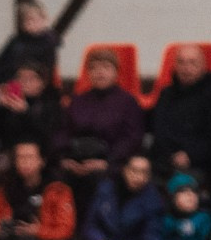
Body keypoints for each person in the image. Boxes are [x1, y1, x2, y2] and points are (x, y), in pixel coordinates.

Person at [53, 48, 145, 205]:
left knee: (99, 180)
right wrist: (65, 158)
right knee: (56, 176)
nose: (99, 72)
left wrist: (107, 162)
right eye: (94, 68)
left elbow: (132, 138)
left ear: (116, 72)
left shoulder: (127, 103)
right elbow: (63, 131)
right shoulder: (78, 101)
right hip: (76, 160)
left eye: (105, 67)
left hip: (112, 161)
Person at [74, 154, 174, 240]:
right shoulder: (106, 189)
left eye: (144, 172)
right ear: (125, 170)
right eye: (134, 170)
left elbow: (151, 232)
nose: (139, 177)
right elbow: (90, 224)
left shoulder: (153, 200)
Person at [149, 44, 211, 183]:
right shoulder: (166, 94)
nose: (186, 68)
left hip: (201, 163)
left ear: (203, 66)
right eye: (181, 62)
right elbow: (159, 130)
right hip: (166, 159)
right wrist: (171, 155)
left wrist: (190, 155)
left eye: (192, 63)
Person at [0, 61, 64, 174]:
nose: (25, 83)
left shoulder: (51, 104)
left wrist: (26, 113)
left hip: (41, 156)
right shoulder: (9, 104)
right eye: (21, 78)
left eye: (31, 78)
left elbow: (49, 135)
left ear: (42, 83)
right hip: (10, 154)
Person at [0, 0, 60, 88]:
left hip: (32, 87)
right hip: (7, 83)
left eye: (37, 20)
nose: (33, 24)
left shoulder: (48, 43)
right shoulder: (16, 41)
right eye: (28, 20)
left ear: (44, 20)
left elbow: (46, 72)